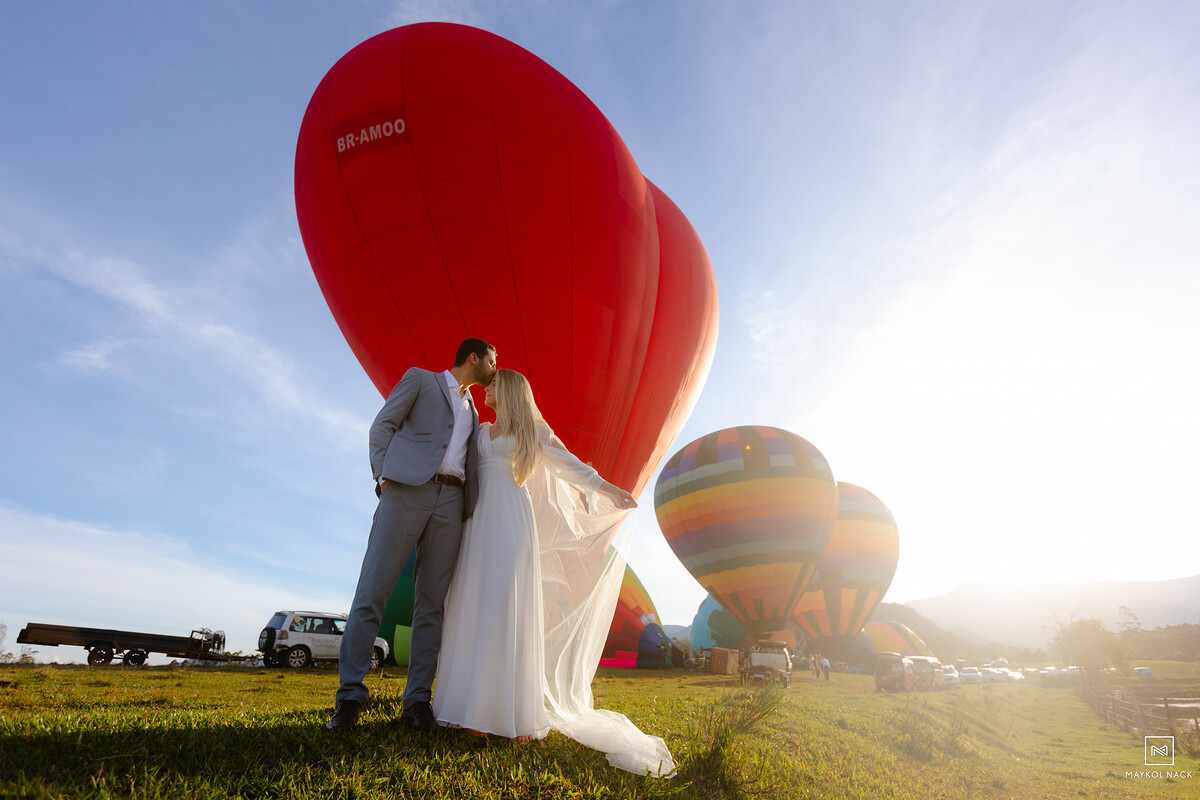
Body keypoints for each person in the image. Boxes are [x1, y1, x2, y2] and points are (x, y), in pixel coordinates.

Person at [432, 369, 675, 775]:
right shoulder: (479, 429)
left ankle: (515, 714)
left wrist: (608, 489)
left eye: (492, 385)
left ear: (509, 391)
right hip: (478, 524)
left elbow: (569, 466)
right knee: (474, 603)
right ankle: (468, 708)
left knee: (508, 608)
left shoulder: (534, 434)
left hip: (512, 522)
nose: (486, 389)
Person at [325, 338, 498, 732]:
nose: (495, 366)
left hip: (452, 503)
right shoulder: (420, 380)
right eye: (493, 359)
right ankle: (350, 698)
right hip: (405, 491)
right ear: (475, 358)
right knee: (373, 592)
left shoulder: (474, 410)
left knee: (432, 605)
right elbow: (382, 425)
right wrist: (383, 477)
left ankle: (417, 700)